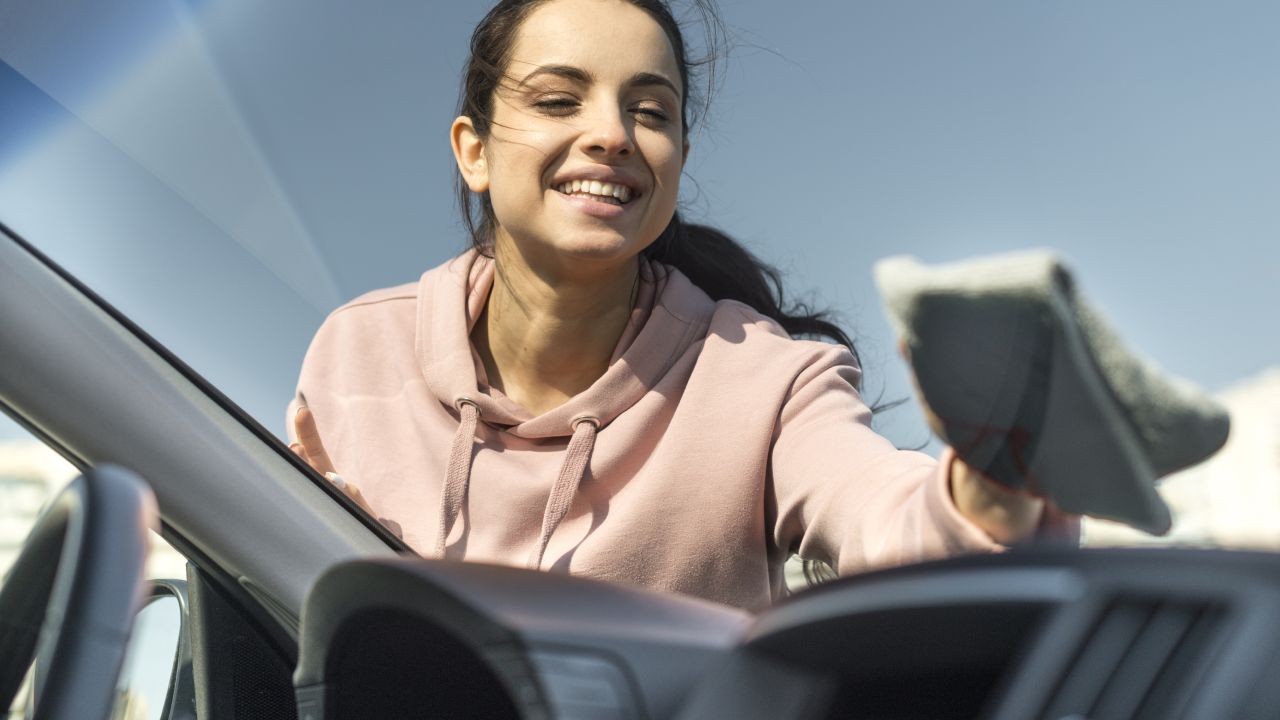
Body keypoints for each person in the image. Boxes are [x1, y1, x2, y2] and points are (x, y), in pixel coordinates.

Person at [288, 0, 1064, 611]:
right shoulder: (356, 350)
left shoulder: (769, 380)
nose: (612, 134)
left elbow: (881, 511)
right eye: (560, 100)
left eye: (651, 112)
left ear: (679, 161)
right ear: (474, 150)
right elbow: (278, 585)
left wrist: (988, 486)